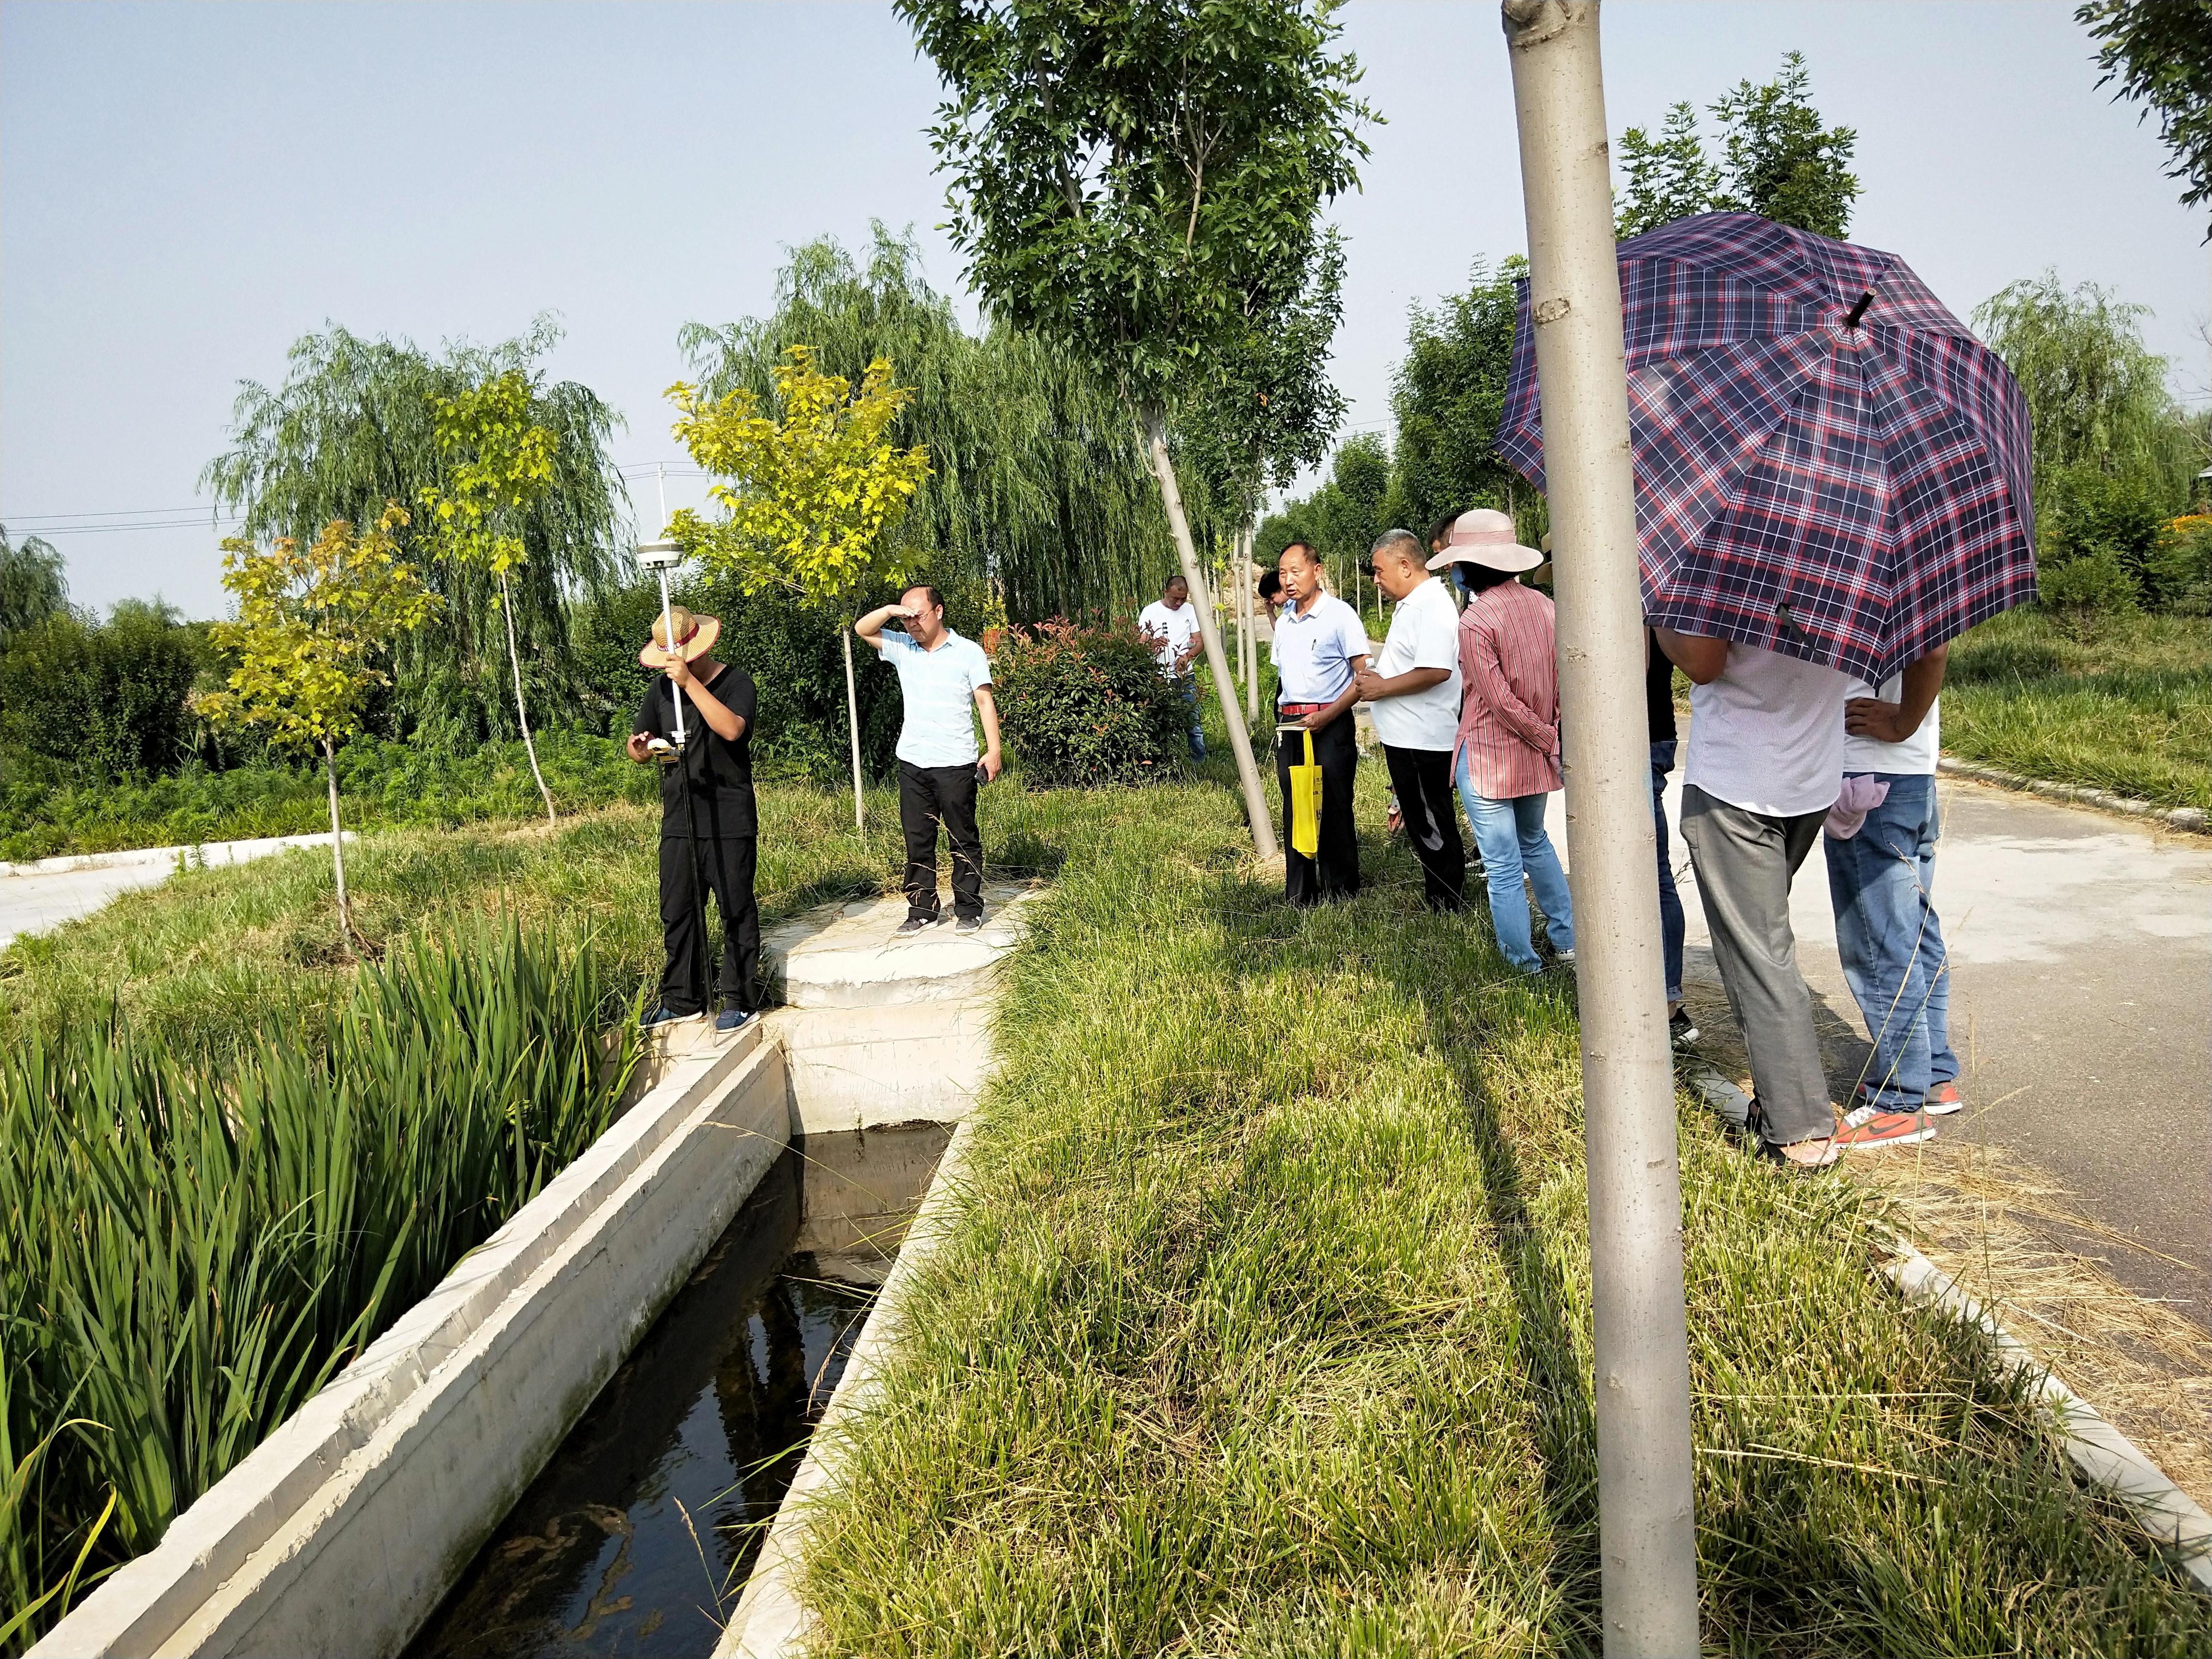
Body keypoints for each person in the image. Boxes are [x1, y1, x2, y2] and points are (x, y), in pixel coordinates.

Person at [1658, 626, 1933, 1168]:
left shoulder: (1740, 552)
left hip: (1737, 786)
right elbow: (1933, 646)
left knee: (1759, 953)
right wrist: (1904, 720)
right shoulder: (1838, 559)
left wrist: (1663, 619)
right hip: (1811, 778)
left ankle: (1799, 1132)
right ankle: (1795, 1106)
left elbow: (1704, 662)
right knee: (1763, 940)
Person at [1825, 645, 1960, 1122]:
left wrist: (1903, 721)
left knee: (1878, 940)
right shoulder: (1919, 571)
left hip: (1869, 772)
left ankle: (1899, 1097)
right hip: (1908, 774)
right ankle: (1932, 1073)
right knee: (1913, 932)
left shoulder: (1869, 569)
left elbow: (1934, 650)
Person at [1446, 509, 1574, 973]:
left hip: (1486, 757)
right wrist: (1550, 736)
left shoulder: (1476, 622)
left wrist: (1542, 734)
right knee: (1536, 842)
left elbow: (1496, 700)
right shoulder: (1547, 606)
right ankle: (1568, 939)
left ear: (1471, 567)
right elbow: (1563, 682)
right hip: (1534, 756)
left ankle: (1523, 963)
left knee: (1502, 867)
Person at [628, 605, 760, 1034]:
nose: (672, 667)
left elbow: (732, 730)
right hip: (679, 816)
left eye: (679, 659)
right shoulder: (660, 691)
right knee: (678, 911)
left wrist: (691, 686)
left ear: (699, 650)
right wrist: (644, 747)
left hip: (728, 816)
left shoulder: (735, 683)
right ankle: (682, 998)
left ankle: (740, 998)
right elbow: (638, 748)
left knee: (735, 909)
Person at [855, 585, 1003, 934]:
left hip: (956, 762)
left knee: (962, 838)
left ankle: (968, 908)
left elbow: (984, 702)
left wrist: (994, 750)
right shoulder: (903, 647)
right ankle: (921, 909)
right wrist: (893, 610)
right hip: (913, 762)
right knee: (917, 839)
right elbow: (863, 630)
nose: (912, 624)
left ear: (938, 612)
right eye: (906, 618)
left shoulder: (968, 652)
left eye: (918, 615)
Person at [1352, 529, 1464, 911]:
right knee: (1421, 819)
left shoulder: (1430, 605)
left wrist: (1382, 689)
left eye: (1379, 571)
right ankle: (1440, 894)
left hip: (1423, 738)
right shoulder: (1414, 603)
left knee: (1431, 821)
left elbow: (1436, 671)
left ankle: (1446, 902)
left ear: (1405, 565)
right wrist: (1377, 677)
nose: (1376, 580)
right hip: (1408, 736)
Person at [1271, 540, 1368, 905]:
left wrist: (1328, 715)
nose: (1289, 580)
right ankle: (1300, 893)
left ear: (1317, 570)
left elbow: (1363, 677)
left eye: (1296, 571)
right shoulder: (1284, 622)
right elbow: (1284, 679)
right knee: (1296, 805)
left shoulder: (1340, 615)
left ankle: (1340, 890)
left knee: (1335, 804)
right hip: (1293, 724)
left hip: (1331, 722)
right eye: (1283, 573)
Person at [1647, 630, 1698, 1048]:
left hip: (1637, 739)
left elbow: (1636, 667)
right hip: (1649, 735)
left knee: (1654, 875)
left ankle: (1668, 1002)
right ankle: (1659, 995)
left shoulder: (1636, 605)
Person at [1137, 574, 1207, 759]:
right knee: (1162, 721)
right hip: (1160, 676)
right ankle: (1164, 761)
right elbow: (1139, 643)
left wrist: (1188, 656)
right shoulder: (1150, 612)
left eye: (1183, 599)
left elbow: (1199, 642)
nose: (1179, 603)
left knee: (1193, 722)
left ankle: (1199, 762)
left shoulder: (1191, 611)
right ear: (1166, 592)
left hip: (1185, 677)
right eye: (1175, 598)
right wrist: (1152, 645)